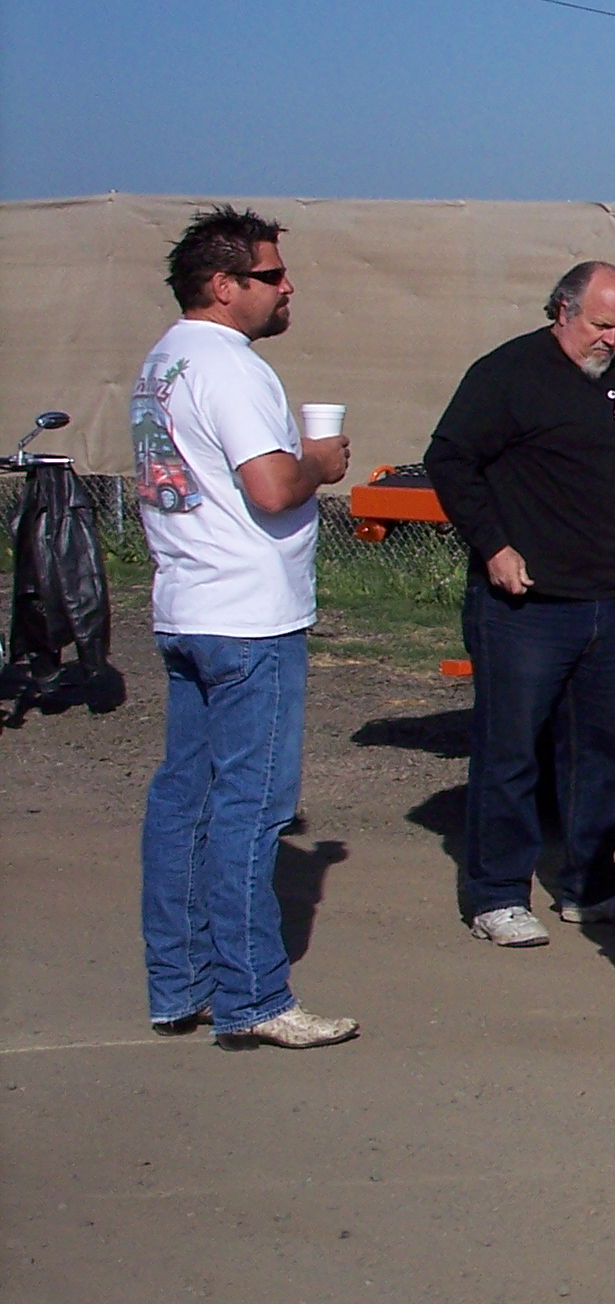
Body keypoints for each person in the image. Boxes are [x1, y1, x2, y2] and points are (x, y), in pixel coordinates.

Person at [132, 205, 358, 1049]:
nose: (286, 287)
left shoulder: (164, 361)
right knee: (250, 809)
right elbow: (270, 487)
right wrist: (319, 464)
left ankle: (180, 983)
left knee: (184, 799)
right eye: (270, 275)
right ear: (224, 286)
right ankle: (254, 997)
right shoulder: (229, 367)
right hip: (247, 619)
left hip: (188, 605)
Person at [427, 262, 615, 947]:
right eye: (600, 325)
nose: (610, 339)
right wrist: (494, 546)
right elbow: (449, 461)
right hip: (525, 604)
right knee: (512, 751)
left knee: (601, 752)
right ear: (563, 310)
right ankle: (497, 894)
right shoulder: (507, 374)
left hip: (602, 598)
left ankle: (592, 886)